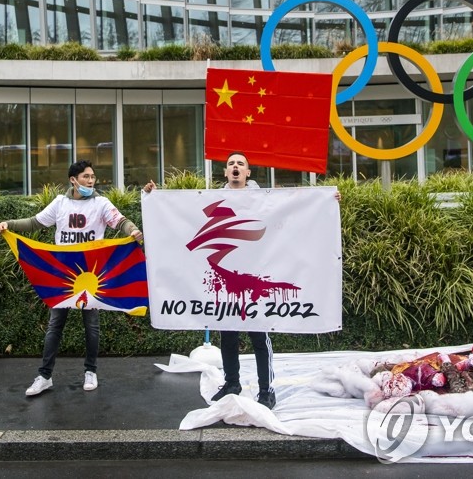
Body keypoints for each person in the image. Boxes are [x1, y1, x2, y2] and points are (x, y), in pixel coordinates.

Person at [143, 151, 339, 411]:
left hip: (256, 281)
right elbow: (178, 213)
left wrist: (328, 200)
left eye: (240, 164)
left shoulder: (264, 201)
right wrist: (154, 196)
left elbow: (295, 213)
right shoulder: (213, 200)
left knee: (260, 337)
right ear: (225, 173)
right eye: (231, 164)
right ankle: (231, 383)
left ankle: (266, 390)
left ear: (248, 173)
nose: (235, 167)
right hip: (227, 282)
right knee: (228, 334)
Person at [0, 160, 143, 396]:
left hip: (91, 274)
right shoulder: (60, 203)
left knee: (91, 325)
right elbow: (35, 223)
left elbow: (121, 221)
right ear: (73, 180)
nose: (91, 181)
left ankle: (91, 371)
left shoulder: (101, 203)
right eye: (86, 177)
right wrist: (9, 224)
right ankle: (45, 376)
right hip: (63, 274)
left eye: (93, 177)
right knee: (55, 325)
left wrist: (133, 231)